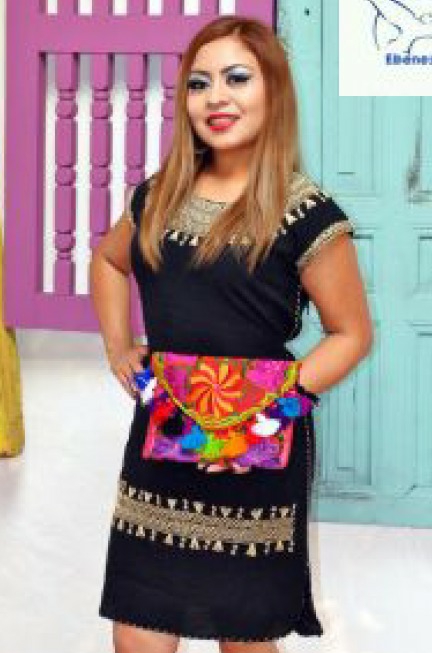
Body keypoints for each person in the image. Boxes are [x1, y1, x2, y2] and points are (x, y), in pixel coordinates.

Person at [90, 15, 373, 653]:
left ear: (274, 91)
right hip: (163, 439)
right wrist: (118, 346)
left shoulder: (305, 212)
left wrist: (264, 418)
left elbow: (351, 334)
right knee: (137, 634)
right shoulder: (158, 196)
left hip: (258, 451)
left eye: (237, 78)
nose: (215, 97)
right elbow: (107, 261)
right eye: (199, 83)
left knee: (243, 638)